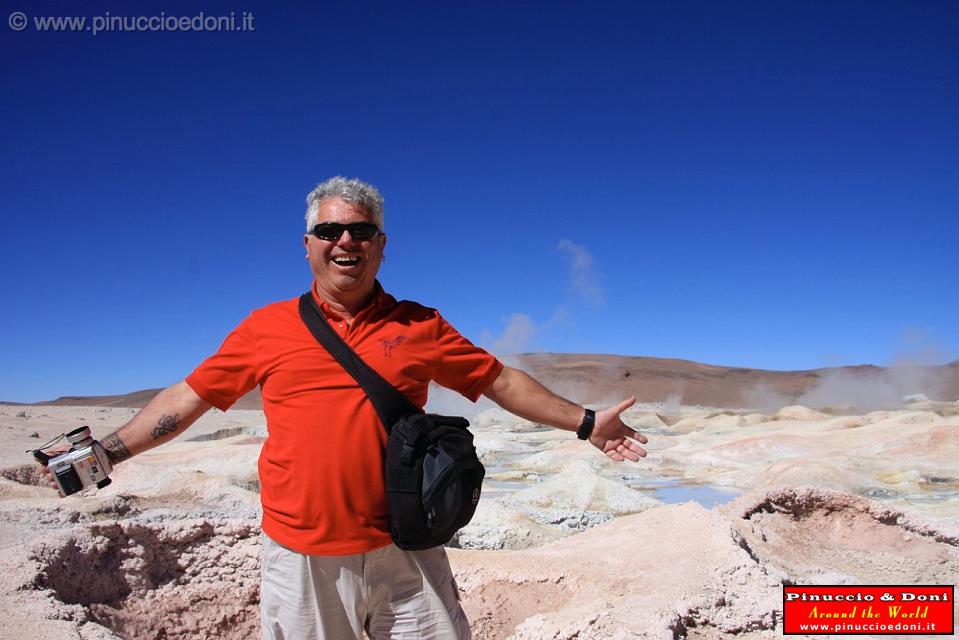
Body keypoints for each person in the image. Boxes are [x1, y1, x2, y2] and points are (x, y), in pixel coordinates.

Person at [46, 176, 648, 639]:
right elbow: (189, 397)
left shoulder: (420, 325)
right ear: (308, 246)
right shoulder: (266, 328)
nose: (346, 241)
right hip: (302, 554)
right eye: (330, 232)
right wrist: (108, 453)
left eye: (360, 231)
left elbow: (498, 381)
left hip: (405, 545)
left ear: (381, 246)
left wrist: (588, 421)